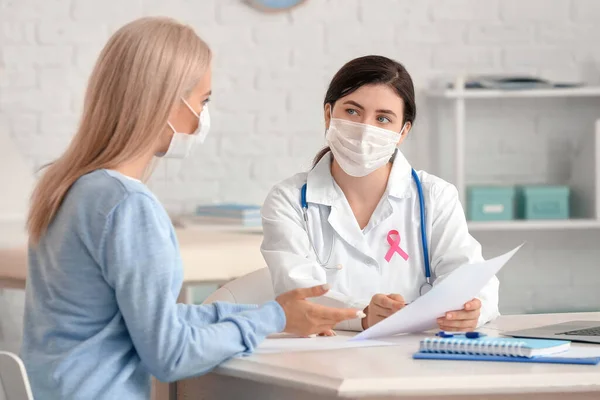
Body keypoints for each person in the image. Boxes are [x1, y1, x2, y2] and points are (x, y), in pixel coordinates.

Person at [20, 17, 360, 400]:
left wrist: (271, 315)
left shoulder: (68, 186)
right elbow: (171, 354)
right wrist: (276, 317)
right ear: (167, 101)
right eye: (204, 100)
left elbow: (154, 321)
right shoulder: (127, 206)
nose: (203, 115)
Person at [261, 55, 500, 333]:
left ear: (402, 131)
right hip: (324, 358)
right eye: (352, 112)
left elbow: (474, 281)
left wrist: (472, 310)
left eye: (383, 118)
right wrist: (363, 316)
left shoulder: (435, 196)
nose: (365, 129)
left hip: (414, 359)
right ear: (328, 114)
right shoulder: (288, 200)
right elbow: (298, 298)